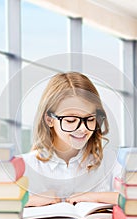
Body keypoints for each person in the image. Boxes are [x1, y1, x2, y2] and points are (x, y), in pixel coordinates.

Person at [20, 72, 120, 207]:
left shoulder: (108, 162)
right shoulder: (26, 165)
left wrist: (95, 197)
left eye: (90, 119)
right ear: (49, 119)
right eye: (71, 120)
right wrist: (29, 200)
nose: (83, 129)